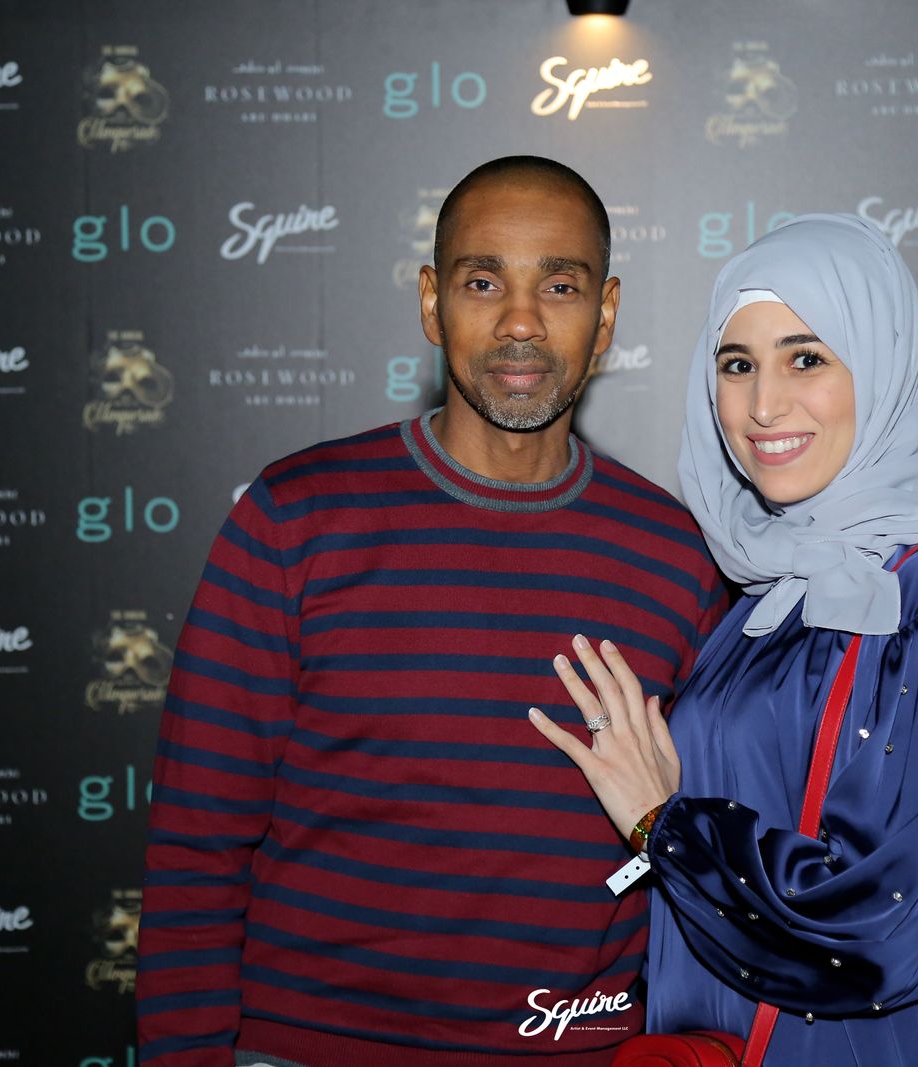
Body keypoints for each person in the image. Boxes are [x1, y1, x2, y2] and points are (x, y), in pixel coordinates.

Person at [135, 156, 727, 1067]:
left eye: (559, 286)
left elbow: (707, 853)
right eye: (483, 281)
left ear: (606, 316)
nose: (521, 321)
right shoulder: (295, 521)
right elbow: (197, 846)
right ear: (430, 302)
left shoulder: (678, 559)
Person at [530, 213, 918, 1064]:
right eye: (737, 365)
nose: (763, 406)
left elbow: (881, 925)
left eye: (806, 359)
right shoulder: (761, 594)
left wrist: (665, 825)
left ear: (880, 367)